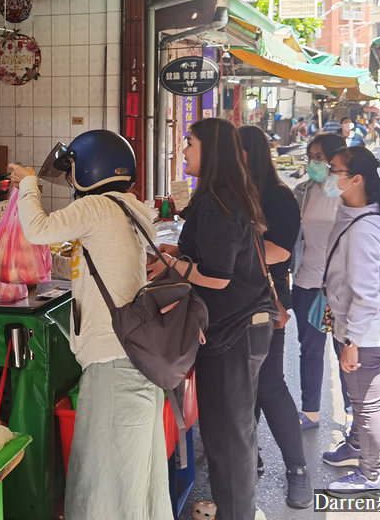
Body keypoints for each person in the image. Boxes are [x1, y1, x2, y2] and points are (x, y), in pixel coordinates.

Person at [9, 131, 172, 520]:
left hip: (114, 362)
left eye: (72, 174)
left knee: (105, 479)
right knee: (135, 478)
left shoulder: (98, 207)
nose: (70, 184)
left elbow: (38, 230)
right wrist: (45, 269)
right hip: (137, 359)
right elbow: (95, 263)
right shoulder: (132, 209)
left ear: (88, 168)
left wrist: (30, 183)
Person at [154, 118, 274, 520]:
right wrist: (178, 252)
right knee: (227, 434)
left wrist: (176, 264)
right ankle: (232, 508)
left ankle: (238, 513)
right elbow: (215, 259)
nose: (184, 150)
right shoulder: (222, 197)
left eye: (189, 143)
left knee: (230, 437)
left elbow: (218, 278)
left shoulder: (220, 203)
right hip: (235, 330)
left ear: (211, 152)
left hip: (234, 332)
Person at [320, 147, 380, 491]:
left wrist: (351, 342)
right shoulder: (363, 214)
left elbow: (365, 294)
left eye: (333, 170)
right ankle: (356, 446)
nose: (327, 176)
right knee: (358, 397)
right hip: (362, 325)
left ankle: (371, 474)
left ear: (356, 180)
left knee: (365, 404)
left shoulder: (364, 230)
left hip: (364, 331)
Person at [238, 126, 312, 510]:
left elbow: (280, 251)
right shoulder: (233, 193)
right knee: (241, 388)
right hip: (231, 300)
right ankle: (250, 459)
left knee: (269, 385)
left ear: (247, 154)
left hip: (268, 297)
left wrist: (228, 254)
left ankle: (297, 470)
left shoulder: (278, 196)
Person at [291, 132, 350, 429]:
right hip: (306, 282)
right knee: (310, 350)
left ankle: (352, 412)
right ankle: (310, 411)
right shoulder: (303, 191)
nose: (314, 163)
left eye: (319, 158)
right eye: (310, 157)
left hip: (340, 287)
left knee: (346, 351)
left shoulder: (350, 193)